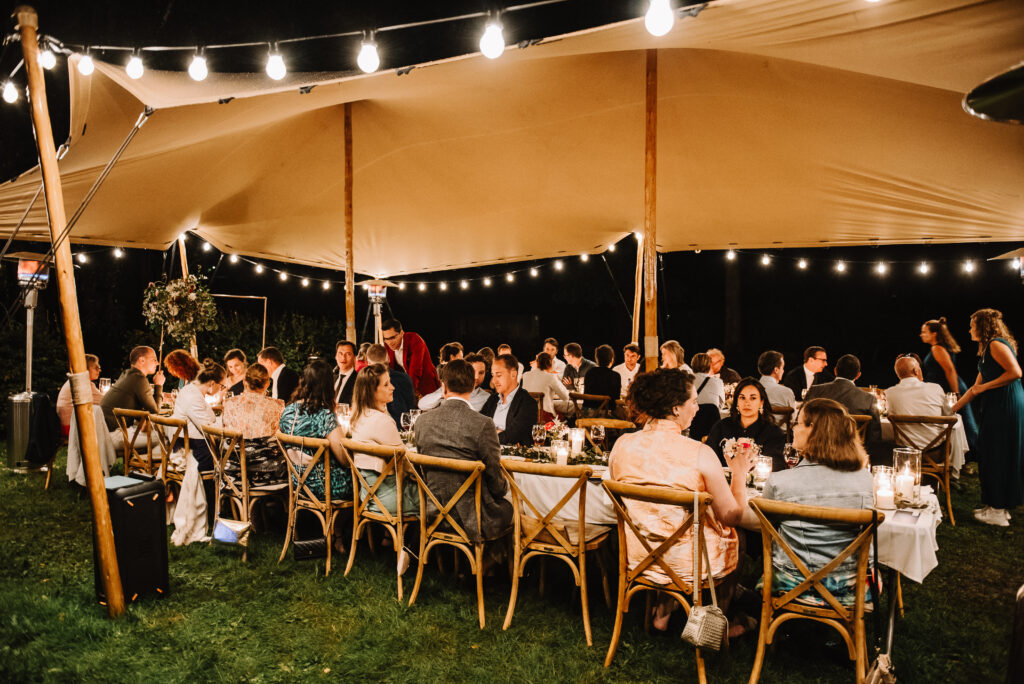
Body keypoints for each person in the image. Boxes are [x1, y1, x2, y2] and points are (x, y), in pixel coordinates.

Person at [609, 368, 755, 635]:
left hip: (640, 556)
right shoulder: (699, 453)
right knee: (736, 536)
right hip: (687, 565)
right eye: (693, 402)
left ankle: (663, 610)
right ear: (676, 409)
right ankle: (716, 624)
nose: (698, 409)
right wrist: (739, 472)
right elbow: (731, 515)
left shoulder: (622, 445)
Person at [760, 398, 873, 607]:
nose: (793, 428)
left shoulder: (780, 482)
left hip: (792, 584)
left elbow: (760, 524)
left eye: (798, 423)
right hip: (852, 587)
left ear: (813, 430)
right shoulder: (866, 480)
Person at [413, 359, 512, 542]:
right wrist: (507, 488)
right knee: (509, 508)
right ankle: (490, 564)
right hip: (471, 518)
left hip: (432, 511)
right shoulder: (482, 424)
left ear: (444, 387)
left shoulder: (422, 422)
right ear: (473, 386)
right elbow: (496, 482)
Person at [951, 308, 1024, 526]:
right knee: (996, 452)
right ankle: (997, 506)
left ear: (983, 326)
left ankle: (998, 512)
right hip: (1001, 403)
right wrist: (951, 409)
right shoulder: (987, 350)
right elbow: (975, 388)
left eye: (973, 325)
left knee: (997, 453)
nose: (970, 329)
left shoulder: (996, 344)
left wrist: (987, 388)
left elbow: (1016, 372)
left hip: (1006, 404)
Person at [278, 359, 352, 503]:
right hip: (325, 486)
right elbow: (344, 459)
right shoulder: (324, 415)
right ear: (328, 386)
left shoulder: (288, 411)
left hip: (297, 481)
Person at [350, 363, 418, 515]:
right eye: (386, 384)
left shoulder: (358, 417)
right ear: (372, 392)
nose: (392, 387)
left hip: (368, 494)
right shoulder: (381, 421)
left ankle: (393, 538)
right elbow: (405, 464)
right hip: (392, 498)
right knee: (439, 495)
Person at [221, 363, 286, 486]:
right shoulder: (278, 405)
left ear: (245, 381)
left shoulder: (229, 403)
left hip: (233, 473)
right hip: (268, 475)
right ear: (267, 383)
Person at [920, 317, 978, 450]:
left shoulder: (937, 349)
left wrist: (956, 393)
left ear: (934, 334)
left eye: (924, 332)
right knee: (962, 421)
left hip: (952, 387)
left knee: (965, 422)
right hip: (949, 387)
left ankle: (973, 454)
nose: (922, 335)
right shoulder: (939, 347)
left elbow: (950, 370)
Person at [884, 356, 954, 464]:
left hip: (905, 452)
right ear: (916, 371)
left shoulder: (890, 393)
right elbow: (949, 414)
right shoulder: (935, 388)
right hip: (935, 453)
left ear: (898, 374)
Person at [706, 377, 786, 471]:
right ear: (736, 402)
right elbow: (708, 458)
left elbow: (776, 466)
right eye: (742, 398)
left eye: (753, 398)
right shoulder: (721, 427)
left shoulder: (773, 433)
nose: (747, 403)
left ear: (761, 402)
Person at [804, 354, 880, 443]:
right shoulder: (869, 400)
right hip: (852, 453)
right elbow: (875, 437)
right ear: (858, 375)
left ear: (835, 371)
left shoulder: (815, 391)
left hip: (817, 450)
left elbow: (801, 422)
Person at [171, 358, 226, 472]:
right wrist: (229, 425)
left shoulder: (189, 390)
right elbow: (208, 430)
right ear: (212, 383)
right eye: (222, 386)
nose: (222, 390)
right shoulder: (194, 397)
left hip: (186, 446)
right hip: (194, 453)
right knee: (233, 459)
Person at [100, 345, 165, 432]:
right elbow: (155, 411)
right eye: (154, 359)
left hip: (104, 431)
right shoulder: (139, 379)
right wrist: (158, 385)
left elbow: (138, 411)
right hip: (116, 434)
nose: (157, 363)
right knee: (163, 439)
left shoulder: (126, 374)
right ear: (142, 360)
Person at [480, 353, 537, 446]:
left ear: (513, 374)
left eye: (498, 375)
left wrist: (488, 436)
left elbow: (512, 436)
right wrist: (498, 432)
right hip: (488, 452)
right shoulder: (493, 399)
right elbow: (478, 425)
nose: (494, 381)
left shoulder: (528, 403)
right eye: (493, 375)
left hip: (513, 458)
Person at [382, 318, 439, 397]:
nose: (389, 342)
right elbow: (391, 372)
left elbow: (415, 370)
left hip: (426, 385)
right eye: (386, 339)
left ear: (401, 333)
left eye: (392, 338)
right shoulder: (387, 346)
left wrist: (407, 394)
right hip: (407, 387)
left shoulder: (414, 340)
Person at [419, 352, 491, 411]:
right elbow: (422, 405)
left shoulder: (487, 398)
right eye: (473, 371)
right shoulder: (447, 388)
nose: (476, 377)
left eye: (481, 373)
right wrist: (443, 394)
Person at [365, 343, 415, 426]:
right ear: (388, 359)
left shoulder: (370, 382)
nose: (391, 387)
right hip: (409, 429)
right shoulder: (405, 378)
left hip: (389, 430)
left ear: (368, 364)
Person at [56, 353, 104, 438]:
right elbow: (105, 401)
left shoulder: (74, 381)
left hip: (64, 426)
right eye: (96, 367)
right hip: (73, 428)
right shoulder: (84, 383)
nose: (99, 370)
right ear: (86, 369)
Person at [521, 351, 570, 419]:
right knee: (564, 417)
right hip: (543, 416)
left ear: (537, 362)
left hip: (526, 414)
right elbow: (565, 396)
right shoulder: (551, 376)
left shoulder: (525, 375)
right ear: (550, 364)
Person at [688, 352, 724, 441]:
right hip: (712, 426)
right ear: (709, 366)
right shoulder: (717, 382)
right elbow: (721, 405)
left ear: (692, 365)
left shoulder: (686, 381)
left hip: (692, 425)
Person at [581, 344, 621, 409]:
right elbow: (616, 400)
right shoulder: (616, 376)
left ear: (597, 359)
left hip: (588, 415)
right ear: (612, 359)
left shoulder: (589, 373)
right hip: (607, 416)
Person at [332, 340, 358, 405]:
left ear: (355, 358)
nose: (343, 358)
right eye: (340, 354)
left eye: (348, 354)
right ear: (336, 356)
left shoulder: (359, 380)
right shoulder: (331, 378)